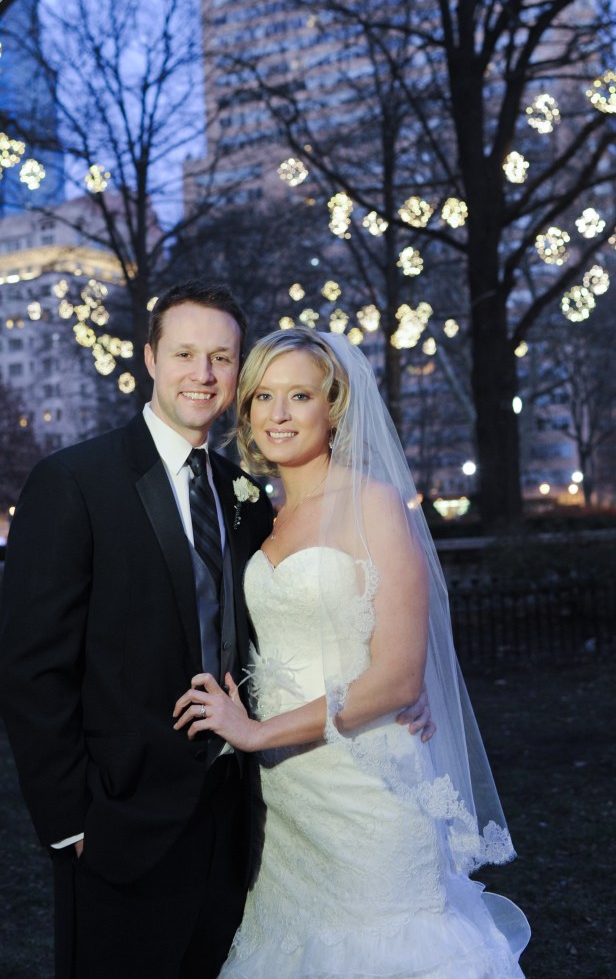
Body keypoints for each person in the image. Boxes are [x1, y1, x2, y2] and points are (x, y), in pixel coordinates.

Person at [0, 284, 432, 979]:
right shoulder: (74, 482)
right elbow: (30, 672)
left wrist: (396, 688)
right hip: (120, 828)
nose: (202, 373)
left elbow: (309, 620)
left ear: (235, 375)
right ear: (149, 358)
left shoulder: (247, 496)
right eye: (185, 353)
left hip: (245, 827)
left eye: (221, 357)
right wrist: (72, 823)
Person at [174, 327, 531, 978]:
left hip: (370, 790)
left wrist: (254, 732)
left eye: (300, 395)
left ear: (333, 406)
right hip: (288, 808)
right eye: (263, 397)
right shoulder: (262, 518)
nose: (278, 414)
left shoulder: (375, 503)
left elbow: (396, 676)